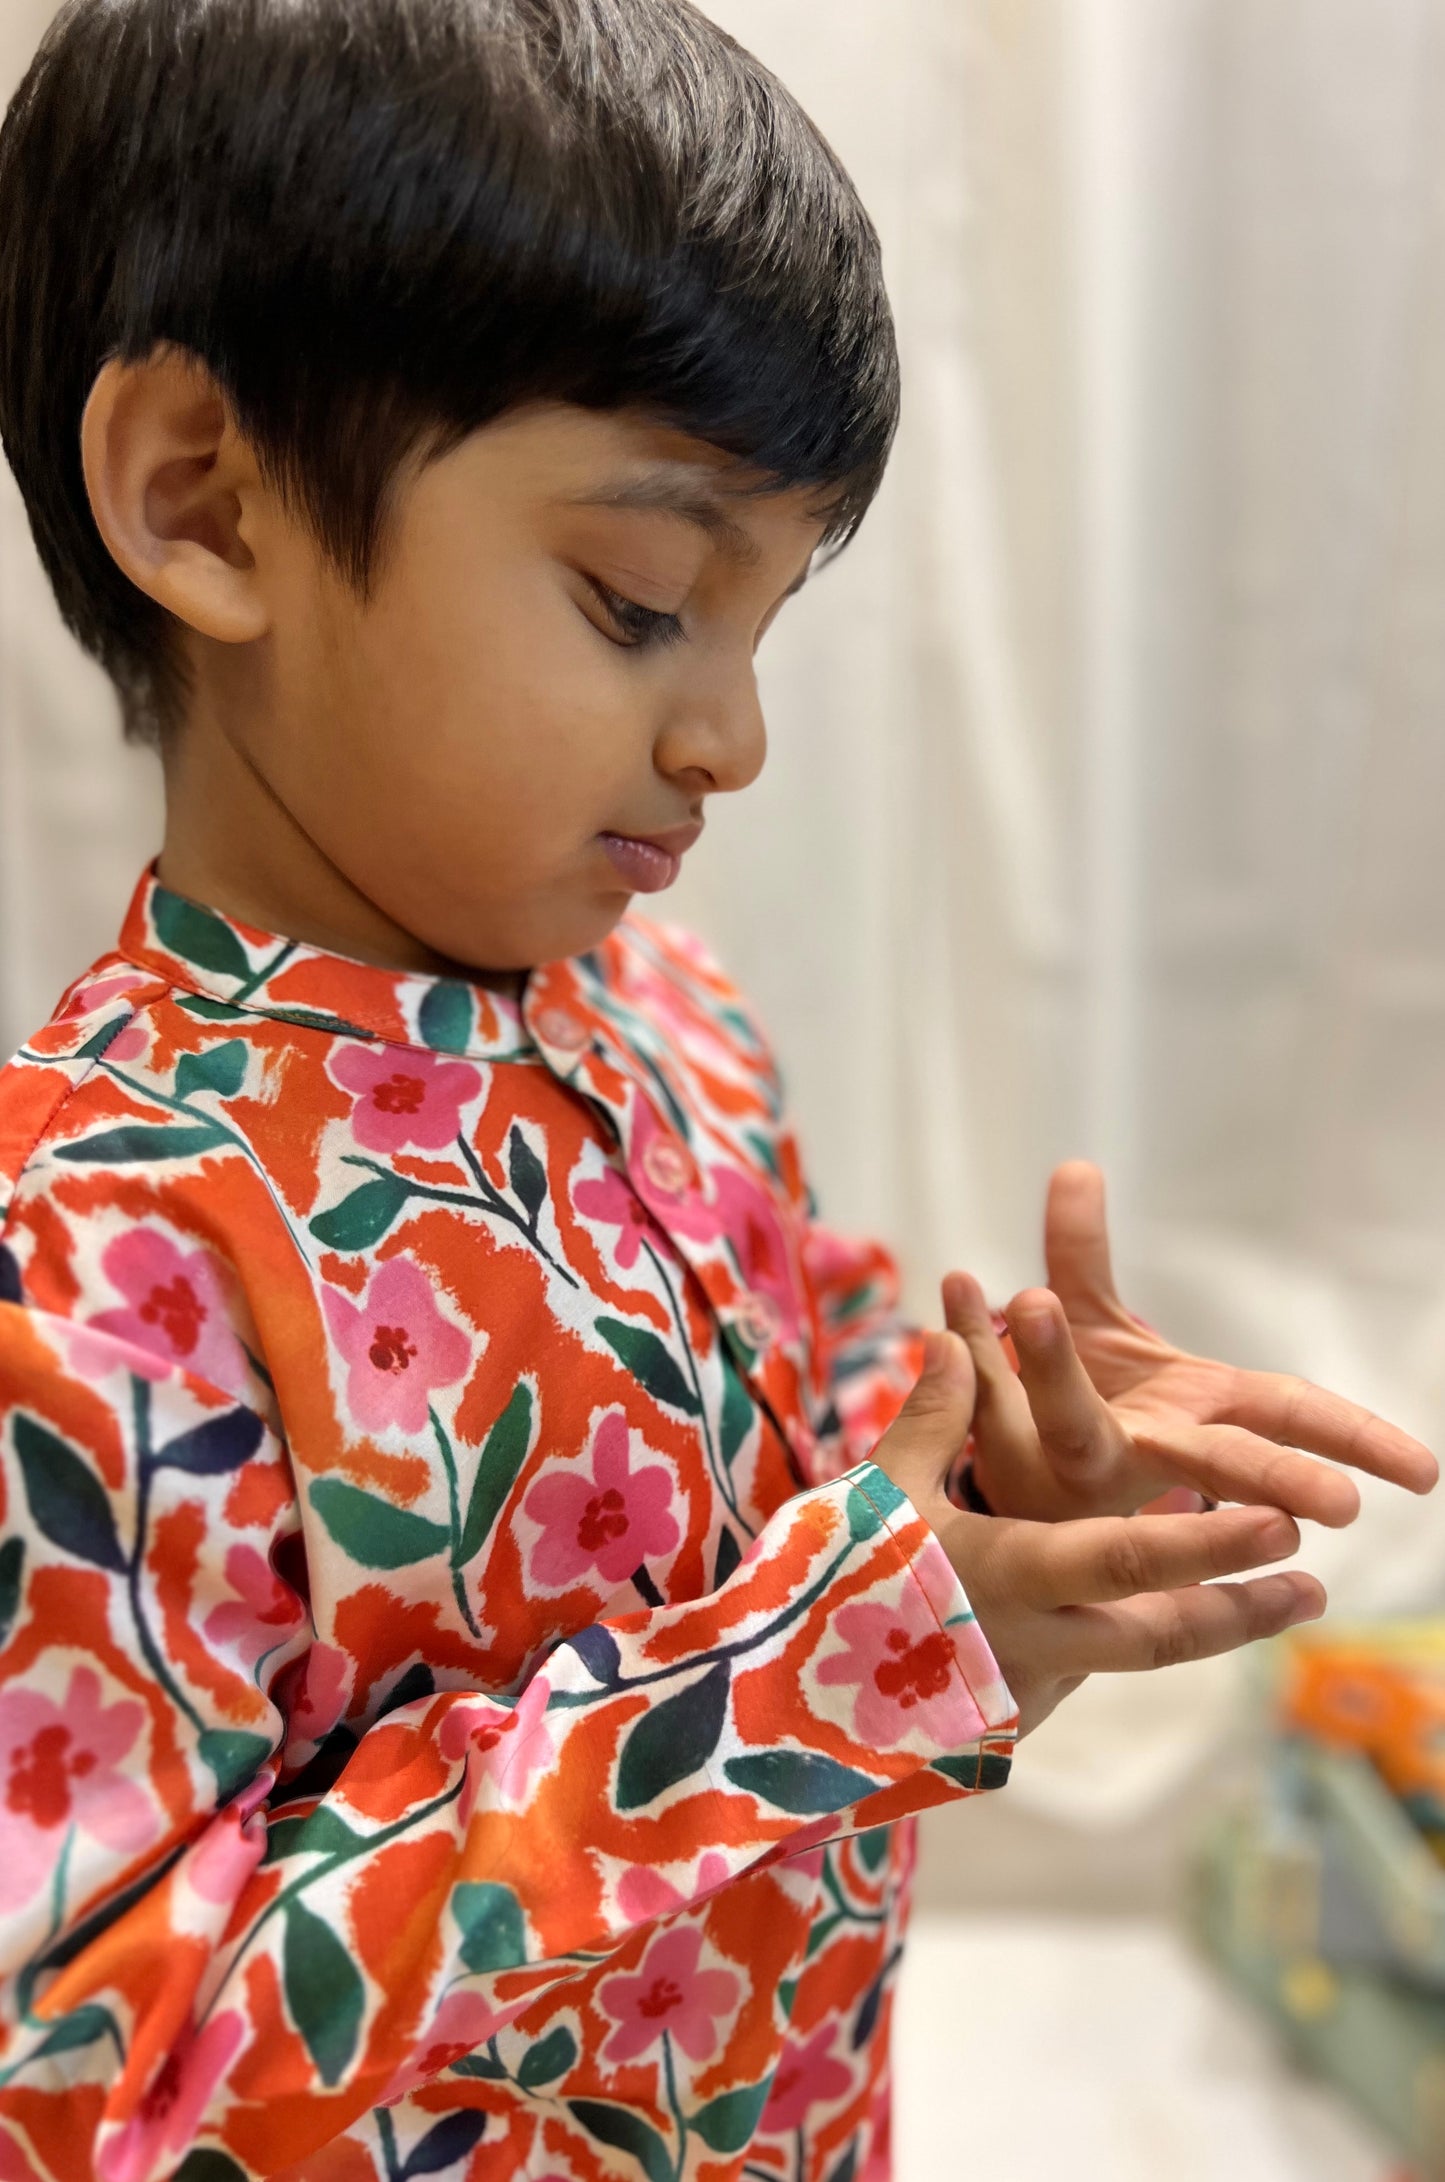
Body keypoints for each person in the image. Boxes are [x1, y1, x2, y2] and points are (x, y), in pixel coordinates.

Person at [0, 2, 1433, 2177]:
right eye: (640, 598)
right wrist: (832, 1663)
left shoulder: (658, 1009)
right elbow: (92, 2079)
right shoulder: (93, 1252)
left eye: (759, 623)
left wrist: (985, 1461)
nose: (731, 738)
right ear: (205, 497)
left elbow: (778, 1394)